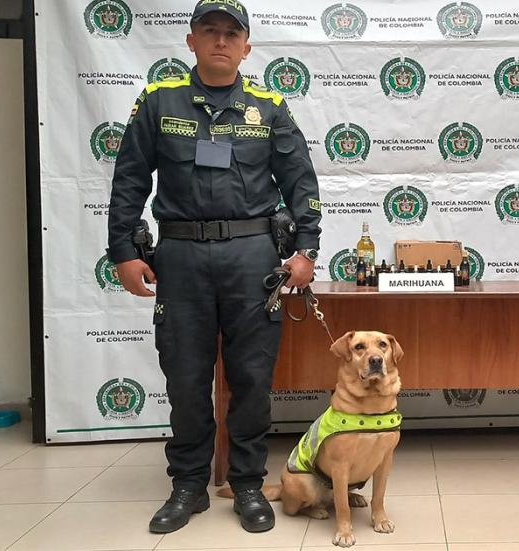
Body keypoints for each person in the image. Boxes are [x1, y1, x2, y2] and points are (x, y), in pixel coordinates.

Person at [106, 0, 322, 535]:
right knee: (185, 375)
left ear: (246, 46)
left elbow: (302, 184)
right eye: (210, 31)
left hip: (251, 257)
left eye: (232, 33)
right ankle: (187, 485)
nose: (221, 41)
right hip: (179, 257)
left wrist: (307, 250)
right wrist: (124, 252)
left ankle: (247, 483)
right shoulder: (159, 102)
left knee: (251, 376)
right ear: (191, 41)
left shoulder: (270, 106)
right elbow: (129, 179)